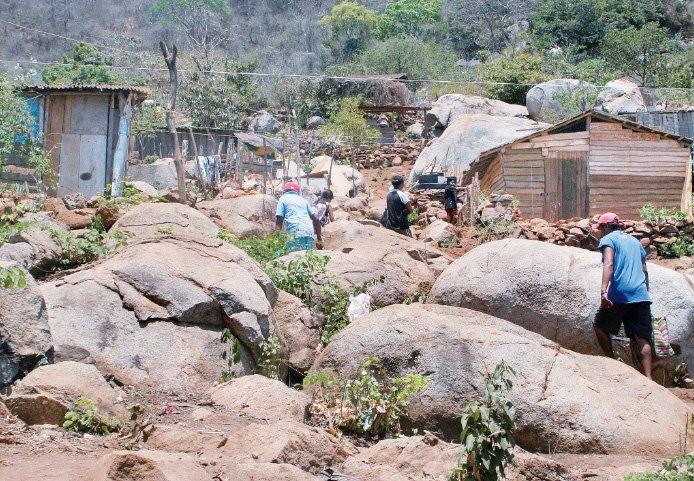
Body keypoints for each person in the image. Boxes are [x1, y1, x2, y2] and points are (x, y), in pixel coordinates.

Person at [593, 212, 653, 379]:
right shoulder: (635, 242)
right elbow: (644, 269)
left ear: (606, 226)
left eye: (601, 228)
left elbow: (609, 263)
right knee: (641, 337)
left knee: (600, 327)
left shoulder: (608, 239)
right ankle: (649, 379)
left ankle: (612, 365)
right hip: (641, 293)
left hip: (620, 293)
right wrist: (645, 291)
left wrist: (603, 290)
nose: (600, 232)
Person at [275, 181, 323, 251]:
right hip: (309, 233)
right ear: (297, 191)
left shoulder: (283, 199)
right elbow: (316, 219)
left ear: (284, 191)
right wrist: (319, 238)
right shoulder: (303, 200)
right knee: (307, 256)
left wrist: (276, 240)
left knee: (294, 256)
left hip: (295, 233)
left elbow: (279, 219)